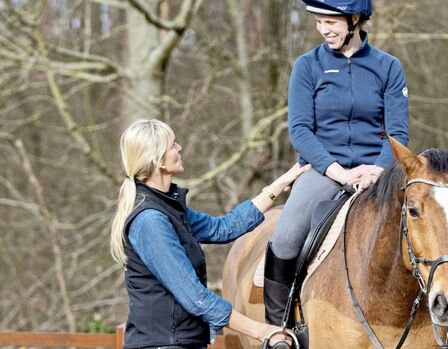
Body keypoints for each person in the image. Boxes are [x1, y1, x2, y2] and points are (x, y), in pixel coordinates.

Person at [264, 0, 410, 328]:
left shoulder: (388, 67)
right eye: (319, 22)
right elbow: (300, 129)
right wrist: (338, 171)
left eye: (331, 22)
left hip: (378, 173)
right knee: (285, 237)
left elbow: (398, 132)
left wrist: (377, 170)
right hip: (324, 170)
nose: (324, 30)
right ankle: (279, 329)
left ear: (354, 18)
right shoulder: (307, 66)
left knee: (422, 229)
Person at [110, 119, 308, 349]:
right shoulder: (150, 221)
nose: (179, 148)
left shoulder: (169, 209)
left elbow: (224, 228)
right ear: (158, 161)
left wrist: (280, 183)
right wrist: (262, 331)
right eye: (173, 145)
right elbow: (196, 297)